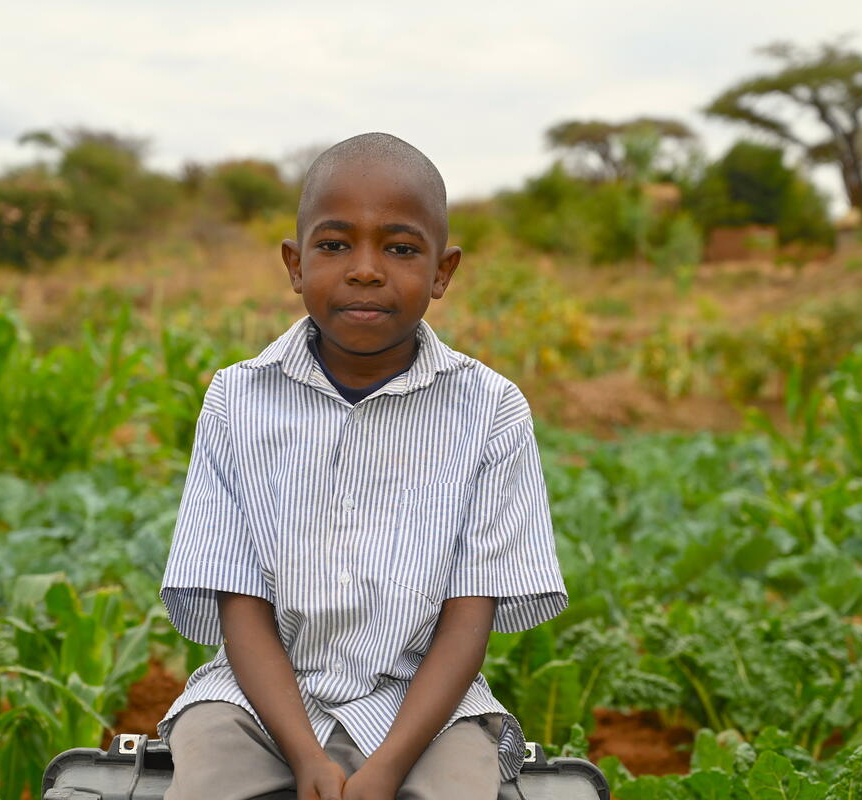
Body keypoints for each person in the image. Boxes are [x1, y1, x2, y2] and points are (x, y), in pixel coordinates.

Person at [157, 132, 567, 800]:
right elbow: (240, 601)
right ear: (295, 264)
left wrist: (388, 767)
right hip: (255, 705)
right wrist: (305, 756)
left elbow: (470, 617)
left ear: (443, 271)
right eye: (335, 244)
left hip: (428, 711)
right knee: (202, 779)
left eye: (401, 249)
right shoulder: (237, 399)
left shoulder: (491, 411)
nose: (366, 270)